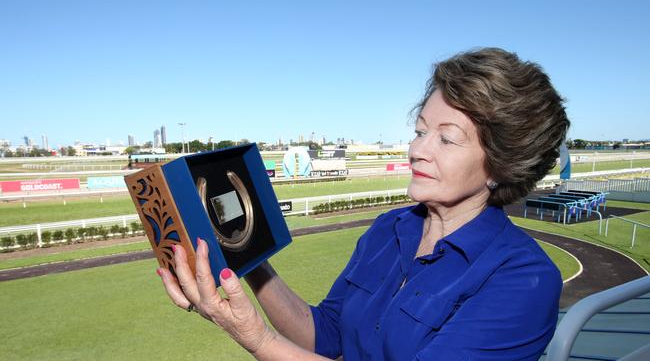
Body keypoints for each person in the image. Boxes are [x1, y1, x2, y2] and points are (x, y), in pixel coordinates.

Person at [157, 47, 570, 360]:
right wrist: (247, 259)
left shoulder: (523, 280)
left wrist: (258, 339)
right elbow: (325, 335)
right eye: (420, 130)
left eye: (446, 138)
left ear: (501, 165)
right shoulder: (388, 230)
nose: (418, 151)